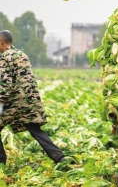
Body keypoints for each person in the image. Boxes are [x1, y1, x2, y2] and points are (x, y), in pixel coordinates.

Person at [0, 30, 67, 166]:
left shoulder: (4, 57)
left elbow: (5, 83)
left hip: (14, 102)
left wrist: (0, 102)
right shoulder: (22, 54)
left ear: (1, 42)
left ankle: (1, 161)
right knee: (35, 129)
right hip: (30, 100)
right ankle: (59, 158)